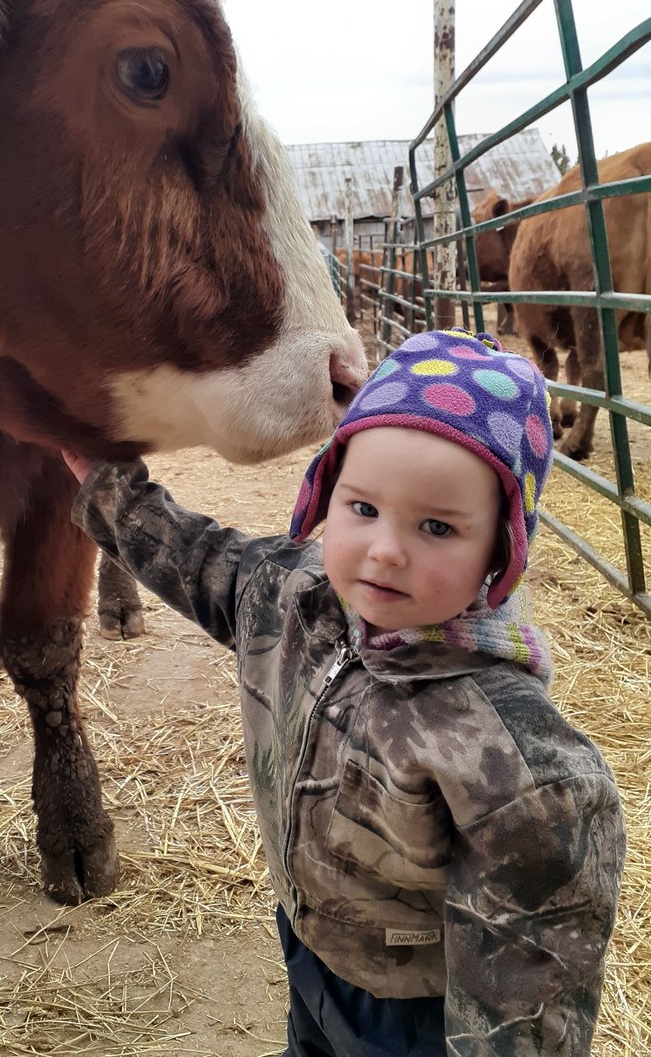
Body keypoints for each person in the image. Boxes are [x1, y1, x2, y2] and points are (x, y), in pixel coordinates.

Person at [62, 327, 625, 1056]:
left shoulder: (519, 765)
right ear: (328, 494)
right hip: (310, 944)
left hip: (418, 1014)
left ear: (500, 550)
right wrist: (104, 483)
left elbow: (531, 1000)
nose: (386, 549)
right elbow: (201, 561)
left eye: (436, 526)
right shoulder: (298, 594)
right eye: (363, 509)